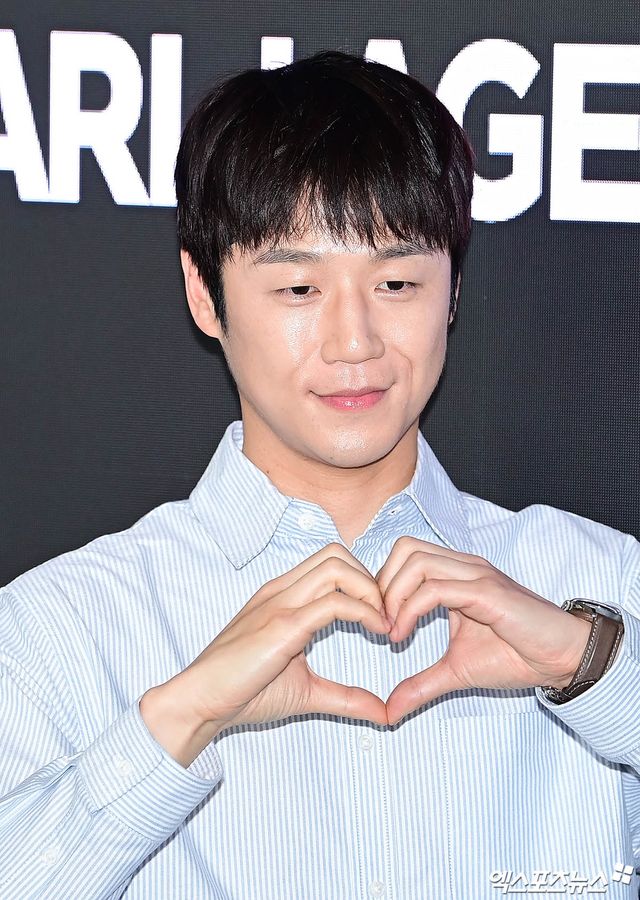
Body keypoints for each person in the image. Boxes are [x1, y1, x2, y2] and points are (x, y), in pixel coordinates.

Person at [0, 49, 638, 900]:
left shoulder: (601, 583)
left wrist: (592, 667)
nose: (354, 342)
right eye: (299, 289)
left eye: (397, 281)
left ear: (453, 287)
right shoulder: (59, 628)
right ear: (203, 293)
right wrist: (180, 718)